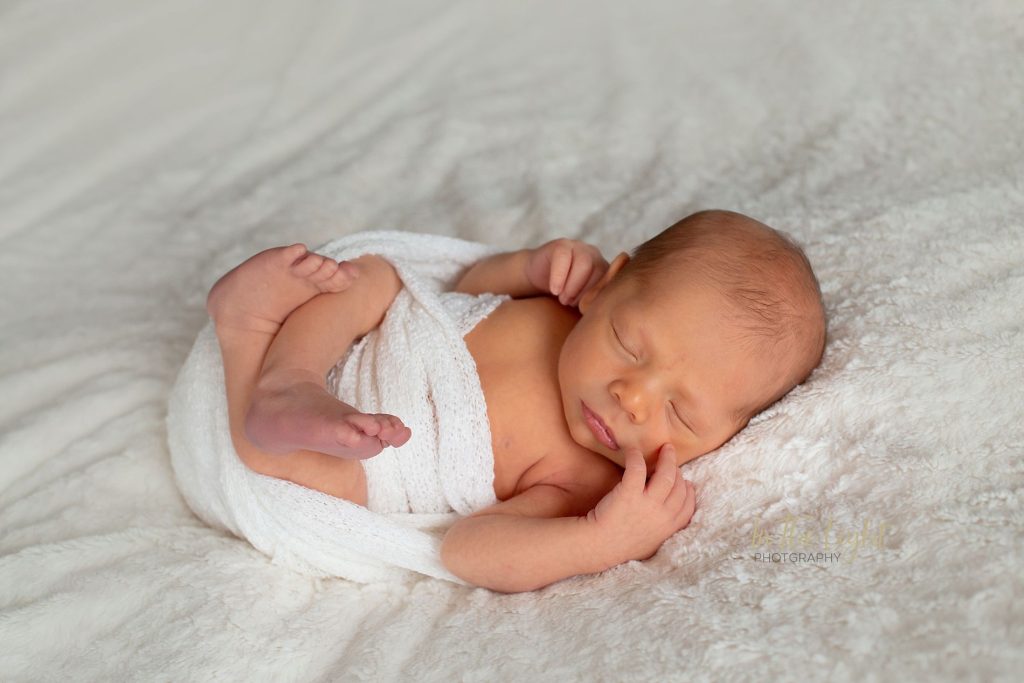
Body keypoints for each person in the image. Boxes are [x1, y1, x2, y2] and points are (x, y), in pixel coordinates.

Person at [204, 209, 827, 592]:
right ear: (605, 287)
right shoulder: (562, 307)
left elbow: (468, 550)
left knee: (318, 476)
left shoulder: (587, 481)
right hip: (389, 344)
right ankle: (292, 378)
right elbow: (462, 289)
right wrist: (527, 268)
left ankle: (248, 333)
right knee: (377, 277)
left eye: (680, 413)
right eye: (628, 345)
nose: (632, 398)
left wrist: (598, 541)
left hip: (378, 443)